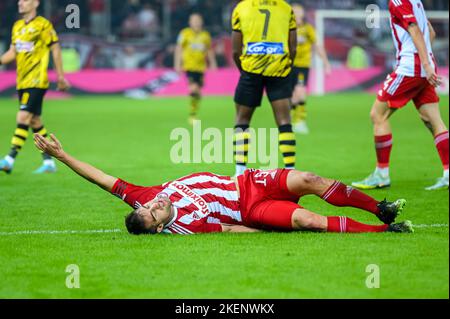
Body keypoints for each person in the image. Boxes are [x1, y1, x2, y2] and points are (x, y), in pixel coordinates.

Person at [34, 133, 413, 235]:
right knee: (307, 221)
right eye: (153, 214)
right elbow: (233, 228)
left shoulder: (141, 196)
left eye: (146, 208)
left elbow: (101, 178)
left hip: (248, 180)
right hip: (253, 208)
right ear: (162, 226)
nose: (153, 205)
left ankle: (378, 205)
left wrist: (63, 157)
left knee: (311, 178)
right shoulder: (186, 227)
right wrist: (266, 227)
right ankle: (384, 228)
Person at [352, 0, 448, 191]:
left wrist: (424, 64)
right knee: (433, 120)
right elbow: (431, 33)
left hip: (410, 68)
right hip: (422, 67)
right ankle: (448, 173)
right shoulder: (416, 2)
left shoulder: (398, 1)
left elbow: (414, 29)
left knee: (378, 115)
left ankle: (381, 174)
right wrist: (427, 62)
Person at [0, 0, 70, 175]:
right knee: (35, 122)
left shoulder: (43, 25)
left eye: (25, 0)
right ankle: (49, 163)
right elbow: (12, 53)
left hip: (37, 81)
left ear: (36, 3)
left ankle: (9, 159)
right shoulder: (17, 26)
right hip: (22, 81)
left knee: (23, 116)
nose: (20, 3)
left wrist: (61, 76)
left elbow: (55, 49)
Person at [231, 0, 297, 177]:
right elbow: (293, 47)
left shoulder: (242, 7)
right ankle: (291, 170)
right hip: (279, 69)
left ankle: (239, 172)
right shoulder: (285, 8)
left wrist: (244, 70)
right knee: (284, 120)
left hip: (251, 69)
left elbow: (236, 51)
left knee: (242, 119)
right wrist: (285, 67)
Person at [290, 3, 331, 134]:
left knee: (300, 92)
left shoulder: (308, 29)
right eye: (294, 12)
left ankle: (300, 121)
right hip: (287, 66)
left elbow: (318, 46)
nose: (296, 14)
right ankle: (289, 120)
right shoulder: (286, 29)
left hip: (302, 66)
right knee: (292, 96)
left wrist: (326, 63)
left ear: (302, 14)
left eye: (298, 12)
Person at [174, 13, 218, 125]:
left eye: (198, 20)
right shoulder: (185, 33)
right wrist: (177, 64)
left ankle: (194, 112)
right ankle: (192, 116)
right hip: (189, 66)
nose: (196, 22)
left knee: (197, 91)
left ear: (201, 22)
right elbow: (178, 48)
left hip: (201, 67)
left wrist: (212, 62)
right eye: (193, 20)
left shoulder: (205, 35)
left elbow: (209, 50)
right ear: (190, 22)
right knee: (193, 89)